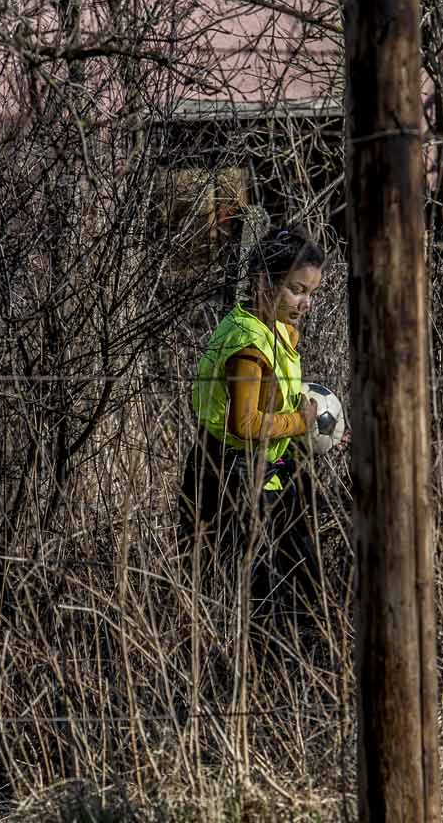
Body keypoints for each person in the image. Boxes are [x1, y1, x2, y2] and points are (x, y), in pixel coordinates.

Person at [179, 226, 331, 623]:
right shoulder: (248, 344)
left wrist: (314, 435)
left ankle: (297, 661)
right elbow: (245, 423)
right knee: (255, 591)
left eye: (311, 293)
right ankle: (256, 668)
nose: (305, 302)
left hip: (267, 470)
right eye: (297, 290)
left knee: (300, 576)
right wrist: (301, 422)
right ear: (263, 281)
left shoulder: (276, 330)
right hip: (233, 474)